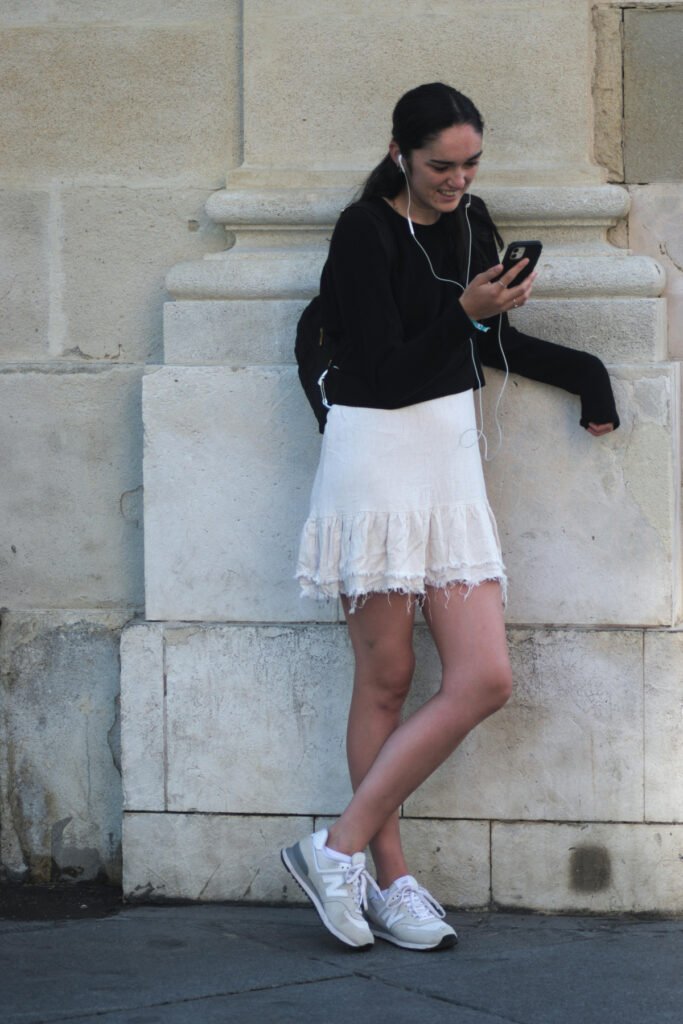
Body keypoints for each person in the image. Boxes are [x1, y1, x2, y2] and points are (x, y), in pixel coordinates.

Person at [281, 83, 618, 952]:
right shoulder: (363, 231)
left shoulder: (472, 223)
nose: (457, 180)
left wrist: (586, 375)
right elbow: (386, 368)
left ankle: (334, 848)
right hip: (375, 454)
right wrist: (464, 311)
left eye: (470, 164)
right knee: (386, 678)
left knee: (484, 677)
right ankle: (389, 882)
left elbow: (484, 343)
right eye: (440, 165)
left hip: (447, 452)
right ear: (399, 154)